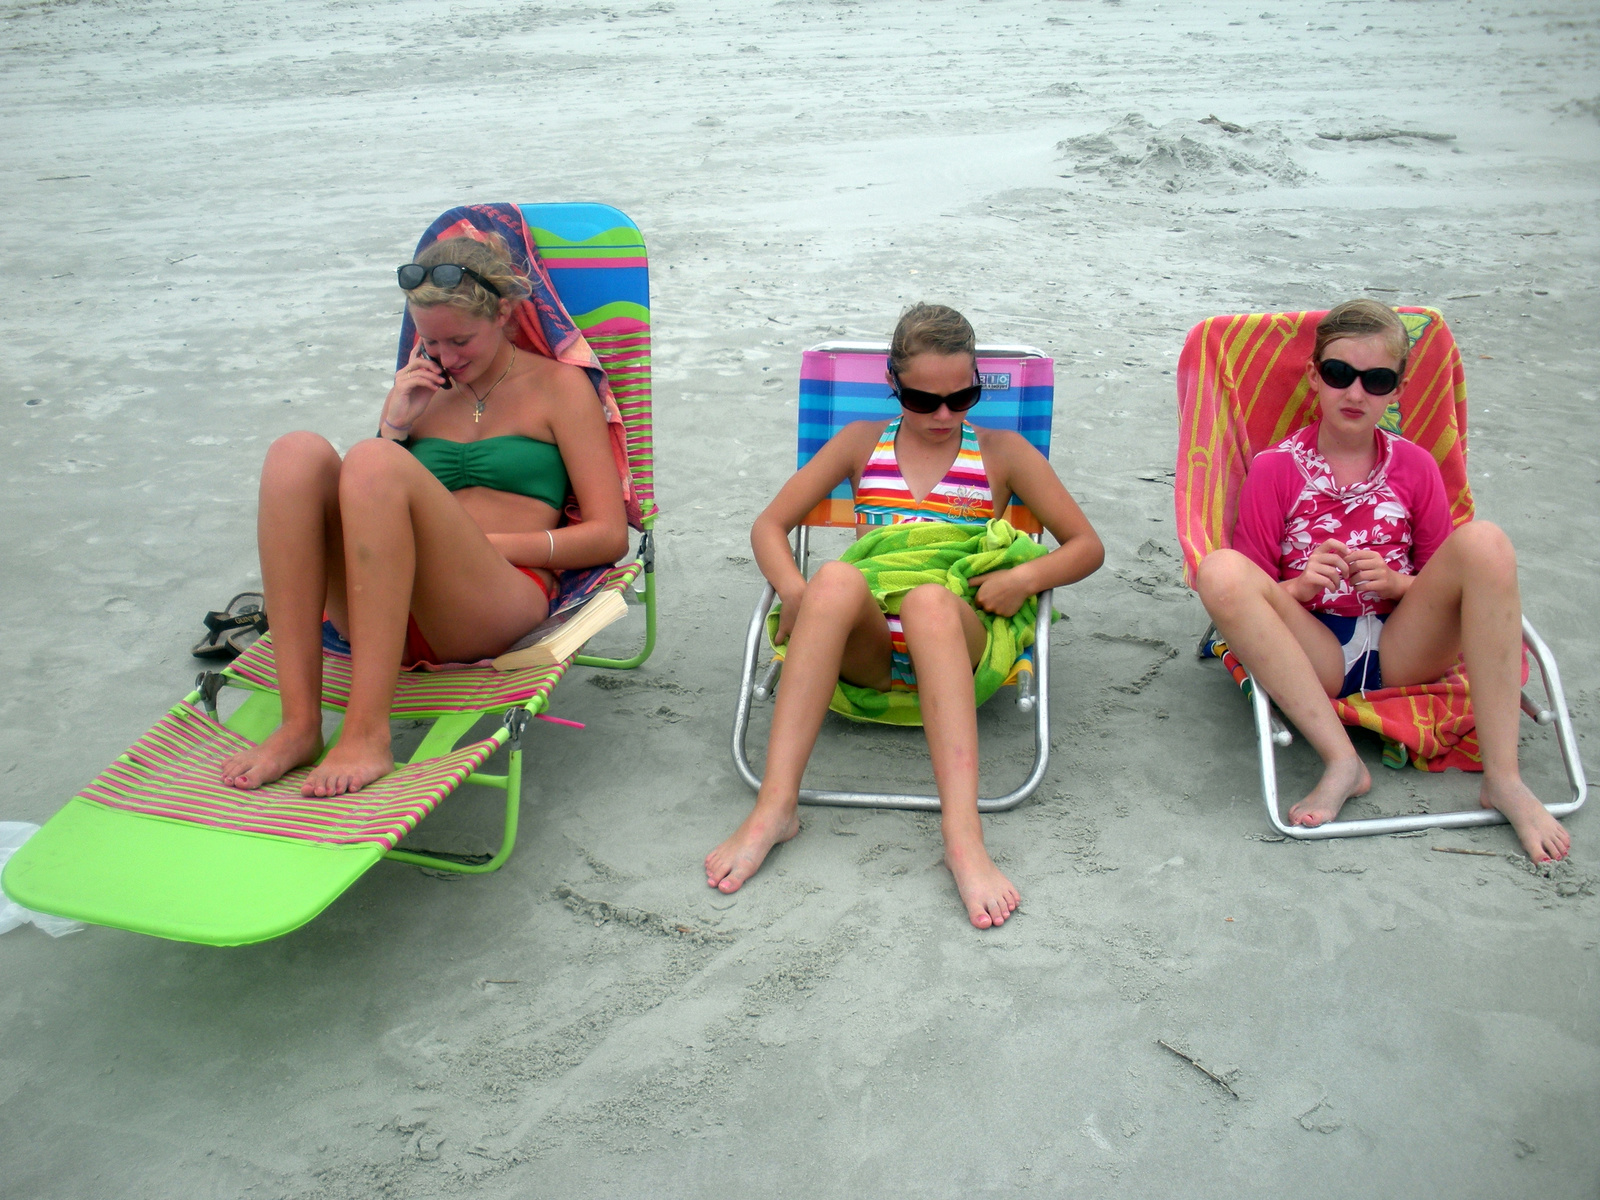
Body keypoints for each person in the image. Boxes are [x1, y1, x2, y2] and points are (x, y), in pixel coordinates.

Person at [705, 304, 1104, 928]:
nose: (944, 415)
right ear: (893, 384)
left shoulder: (1002, 452)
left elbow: (1086, 546)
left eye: (963, 396)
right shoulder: (861, 442)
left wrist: (1025, 576)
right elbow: (770, 525)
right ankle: (774, 808)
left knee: (927, 600)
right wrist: (793, 590)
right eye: (924, 400)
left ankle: (963, 838)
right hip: (867, 654)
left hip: (955, 638)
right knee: (832, 577)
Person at [219, 233, 627, 797]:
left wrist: (489, 546)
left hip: (493, 599)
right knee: (295, 454)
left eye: (461, 341)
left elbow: (608, 537)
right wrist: (395, 424)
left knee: (372, 462)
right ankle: (299, 726)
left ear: (505, 313)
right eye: (430, 343)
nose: (447, 359)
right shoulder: (424, 391)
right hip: (386, 610)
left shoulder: (560, 388)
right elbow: (367, 509)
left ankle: (366, 734)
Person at [1196, 299, 1569, 862]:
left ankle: (1506, 779)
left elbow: (1445, 576)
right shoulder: (1277, 467)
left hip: (1404, 644)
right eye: (1340, 374)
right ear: (1315, 376)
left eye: (1376, 380)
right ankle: (1342, 760)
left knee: (1485, 542)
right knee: (1219, 569)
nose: (1355, 393)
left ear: (1398, 390)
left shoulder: (1415, 465)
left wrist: (1399, 584)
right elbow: (1251, 583)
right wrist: (1301, 585)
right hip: (1316, 649)